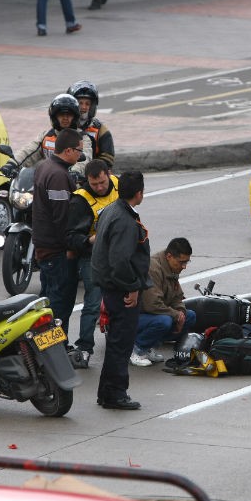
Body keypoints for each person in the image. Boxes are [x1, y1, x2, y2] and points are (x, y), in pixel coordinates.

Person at [92, 171, 151, 410]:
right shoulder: (125, 220)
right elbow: (120, 261)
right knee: (121, 344)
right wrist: (133, 287)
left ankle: (106, 392)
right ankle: (116, 394)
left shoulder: (111, 210)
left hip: (111, 286)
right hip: (121, 290)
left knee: (116, 343)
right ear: (139, 193)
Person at [64, 160, 120, 369]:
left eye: (102, 182)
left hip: (118, 255)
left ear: (109, 174)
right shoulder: (80, 200)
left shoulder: (118, 185)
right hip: (93, 258)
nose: (99, 187)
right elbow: (70, 237)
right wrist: (89, 240)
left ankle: (122, 342)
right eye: (94, 184)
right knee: (93, 304)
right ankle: (85, 348)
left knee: (122, 301)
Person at [32, 129, 83, 338]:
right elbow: (62, 217)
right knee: (59, 306)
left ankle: (43, 348)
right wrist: (70, 247)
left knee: (46, 304)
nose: (81, 155)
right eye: (79, 150)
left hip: (45, 248)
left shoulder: (44, 166)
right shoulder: (58, 176)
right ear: (68, 150)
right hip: (57, 251)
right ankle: (56, 348)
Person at [132, 238, 196, 366]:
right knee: (164, 321)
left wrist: (180, 312)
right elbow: (152, 304)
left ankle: (149, 346)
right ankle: (136, 349)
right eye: (182, 262)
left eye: (186, 262)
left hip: (152, 314)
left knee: (190, 316)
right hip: (133, 316)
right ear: (169, 256)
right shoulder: (153, 268)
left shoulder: (172, 268)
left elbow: (177, 297)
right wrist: (176, 315)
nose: (184, 266)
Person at [4, 94, 92, 176]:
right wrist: (13, 163)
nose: (65, 118)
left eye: (69, 114)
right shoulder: (46, 136)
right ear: (54, 117)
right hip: (49, 180)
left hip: (73, 182)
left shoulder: (83, 138)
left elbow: (86, 158)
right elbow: (29, 150)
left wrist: (75, 172)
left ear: (75, 117)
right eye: (61, 114)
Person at [67, 80, 116, 167]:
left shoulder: (100, 130)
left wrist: (90, 170)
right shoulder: (63, 126)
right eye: (80, 103)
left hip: (92, 174)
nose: (84, 107)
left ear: (92, 106)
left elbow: (108, 159)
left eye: (87, 104)